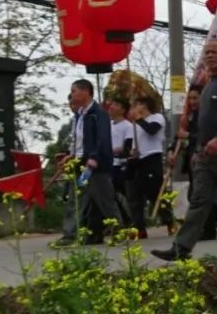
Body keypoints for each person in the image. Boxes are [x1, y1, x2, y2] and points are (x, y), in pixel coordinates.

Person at [153, 40, 217, 261]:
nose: (209, 56)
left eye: (214, 52)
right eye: (206, 52)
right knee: (199, 200)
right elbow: (202, 123)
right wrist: (198, 149)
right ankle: (181, 248)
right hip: (206, 157)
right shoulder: (207, 86)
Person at [64, 78, 121, 245]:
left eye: (74, 91)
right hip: (79, 161)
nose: (72, 95)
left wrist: (94, 157)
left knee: (103, 200)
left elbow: (102, 139)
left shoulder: (99, 114)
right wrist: (71, 154)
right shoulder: (80, 115)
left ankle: (119, 231)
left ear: (85, 92)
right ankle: (72, 235)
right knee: (77, 199)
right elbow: (79, 138)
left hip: (96, 163)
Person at [168, 84, 217, 241]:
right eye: (189, 99)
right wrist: (171, 150)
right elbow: (178, 136)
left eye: (195, 98)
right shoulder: (188, 116)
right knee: (196, 195)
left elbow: (205, 136)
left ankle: (210, 226)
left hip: (205, 157)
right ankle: (207, 227)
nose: (192, 102)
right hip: (191, 159)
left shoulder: (207, 115)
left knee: (200, 195)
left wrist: (188, 135)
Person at [128, 96, 169, 239]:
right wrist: (133, 151)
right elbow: (137, 142)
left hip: (153, 158)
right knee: (134, 195)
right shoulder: (135, 125)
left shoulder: (157, 118)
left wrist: (139, 118)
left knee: (154, 193)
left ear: (145, 105)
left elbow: (151, 130)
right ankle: (139, 228)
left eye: (138, 103)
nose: (135, 106)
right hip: (139, 160)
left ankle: (169, 220)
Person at [108, 99, 135, 224]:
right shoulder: (107, 125)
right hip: (109, 164)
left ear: (123, 110)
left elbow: (127, 147)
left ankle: (131, 220)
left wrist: (115, 150)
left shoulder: (128, 126)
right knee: (110, 193)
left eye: (116, 104)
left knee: (124, 193)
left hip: (122, 164)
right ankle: (122, 220)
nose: (112, 107)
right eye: (112, 104)